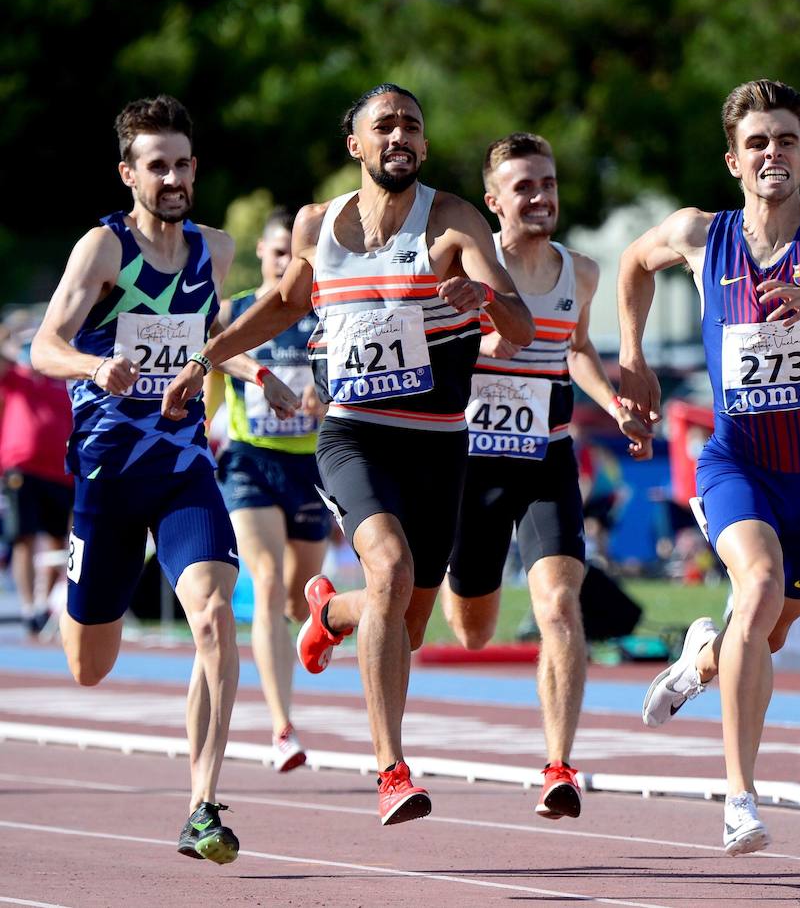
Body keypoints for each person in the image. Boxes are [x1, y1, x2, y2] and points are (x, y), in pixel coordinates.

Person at [162, 84, 535, 826]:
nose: (400, 135)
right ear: (355, 145)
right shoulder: (318, 225)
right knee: (390, 570)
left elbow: (518, 328)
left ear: (423, 148)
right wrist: (204, 360)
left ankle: (331, 615)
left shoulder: (453, 219)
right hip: (354, 434)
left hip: (439, 444)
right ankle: (392, 770)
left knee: (406, 623)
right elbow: (282, 303)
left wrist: (481, 299)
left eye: (413, 127)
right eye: (384, 125)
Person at [620, 79, 800, 854]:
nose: (772, 154)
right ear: (733, 160)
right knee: (756, 587)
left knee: (764, 634)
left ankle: (699, 661)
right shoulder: (698, 235)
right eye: (758, 143)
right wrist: (632, 357)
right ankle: (740, 797)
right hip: (734, 463)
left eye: (786, 140)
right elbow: (631, 265)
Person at [31, 95, 299, 864]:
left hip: (185, 468)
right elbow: (45, 347)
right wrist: (94, 364)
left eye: (183, 163)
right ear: (129, 174)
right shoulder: (102, 250)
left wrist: (252, 372)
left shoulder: (215, 247)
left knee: (214, 616)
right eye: (158, 166)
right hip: (109, 475)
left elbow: (207, 334)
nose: (174, 177)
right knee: (90, 667)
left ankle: (203, 806)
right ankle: (74, 602)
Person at [442, 132, 650, 820]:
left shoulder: (580, 273)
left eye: (549, 184)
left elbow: (578, 347)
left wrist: (612, 401)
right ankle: (336, 610)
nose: (541, 197)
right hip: (470, 465)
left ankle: (559, 763)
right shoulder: (466, 271)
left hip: (544, 457)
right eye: (525, 187)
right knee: (470, 630)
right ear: (493, 200)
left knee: (560, 604)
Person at [212, 207, 330, 773]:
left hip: (309, 467)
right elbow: (213, 357)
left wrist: (322, 402)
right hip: (249, 462)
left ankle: (316, 629)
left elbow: (348, 381)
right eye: (278, 251)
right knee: (262, 583)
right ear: (261, 251)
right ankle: (283, 728)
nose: (286, 261)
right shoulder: (236, 311)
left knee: (296, 597)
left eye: (295, 254)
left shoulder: (323, 314)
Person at [0, 314, 75, 637]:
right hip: (23, 468)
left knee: (59, 540)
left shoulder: (64, 378)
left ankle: (46, 603)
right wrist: (11, 340)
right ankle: (30, 607)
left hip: (61, 472)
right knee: (24, 536)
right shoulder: (16, 376)